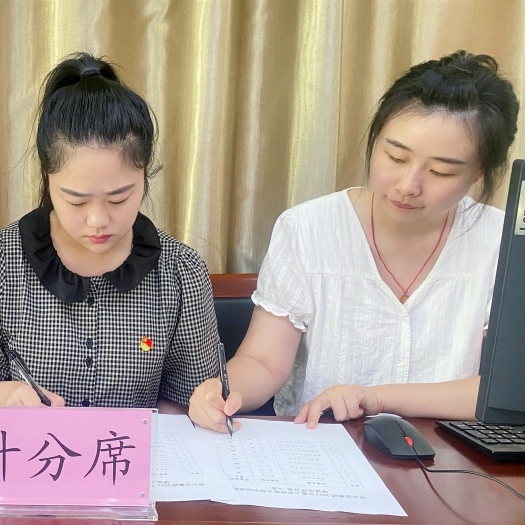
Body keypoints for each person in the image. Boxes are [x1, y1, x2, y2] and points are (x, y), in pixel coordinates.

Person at [188, 51, 520, 432]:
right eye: (396, 157)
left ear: (478, 173)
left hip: (452, 459)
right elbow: (263, 361)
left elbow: (504, 391)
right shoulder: (307, 229)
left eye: (441, 171)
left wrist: (375, 397)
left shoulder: (502, 243)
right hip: (321, 446)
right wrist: (221, 392)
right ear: (375, 140)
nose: (408, 186)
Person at [0, 53, 220, 411]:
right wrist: (4, 397)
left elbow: (190, 398)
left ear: (145, 176)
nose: (97, 220)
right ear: (48, 179)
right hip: (31, 447)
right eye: (76, 201)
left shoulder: (181, 272)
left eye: (119, 199)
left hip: (131, 449)